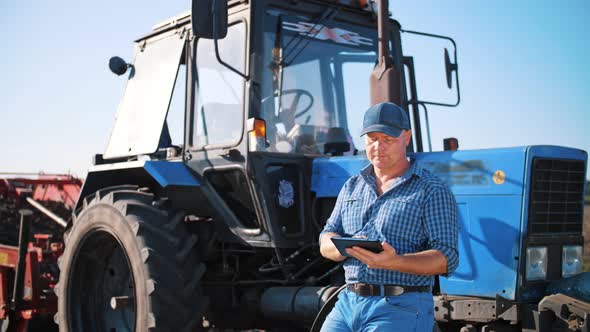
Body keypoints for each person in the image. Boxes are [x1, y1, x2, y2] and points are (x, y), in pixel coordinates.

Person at [319, 102, 460, 331]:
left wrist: (396, 262)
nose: (378, 147)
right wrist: (337, 248)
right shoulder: (352, 186)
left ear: (407, 137)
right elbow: (327, 234)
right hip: (347, 303)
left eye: (388, 139)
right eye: (372, 138)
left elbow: (447, 257)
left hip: (400, 305)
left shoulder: (431, 189)